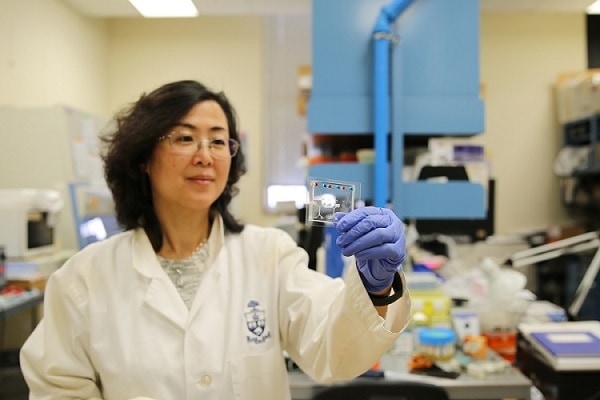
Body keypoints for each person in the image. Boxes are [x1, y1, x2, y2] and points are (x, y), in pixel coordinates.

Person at [20, 80, 411, 400]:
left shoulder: (269, 254)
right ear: (143, 156)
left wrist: (376, 288)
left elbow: (333, 350)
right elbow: (59, 389)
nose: (206, 155)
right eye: (185, 138)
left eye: (219, 141)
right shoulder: (84, 279)